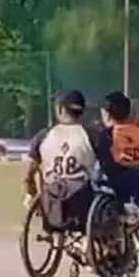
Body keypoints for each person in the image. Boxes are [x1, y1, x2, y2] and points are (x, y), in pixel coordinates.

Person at [95, 91, 139, 277]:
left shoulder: (106, 135)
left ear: (106, 114)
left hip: (117, 188)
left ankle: (114, 253)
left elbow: (101, 161)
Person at [23, 90, 98, 230]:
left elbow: (30, 169)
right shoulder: (91, 135)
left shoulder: (44, 135)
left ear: (60, 109)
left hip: (52, 200)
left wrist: (30, 191)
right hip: (83, 200)